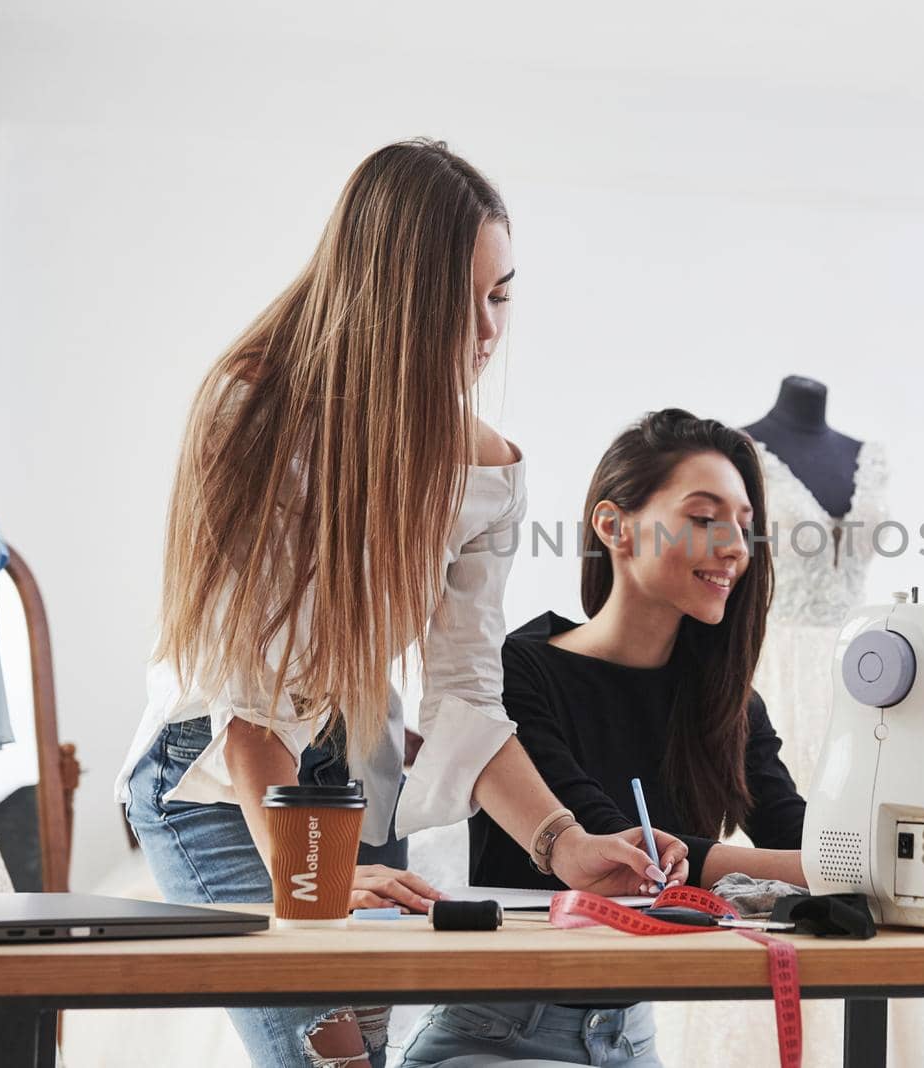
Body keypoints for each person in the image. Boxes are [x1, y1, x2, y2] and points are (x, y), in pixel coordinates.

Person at [117, 140, 687, 1068]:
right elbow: (245, 706)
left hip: (348, 772)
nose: (487, 330)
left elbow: (465, 698)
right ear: (385, 299)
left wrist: (566, 843)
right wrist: (317, 885)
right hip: (218, 779)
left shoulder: (487, 471)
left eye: (499, 294)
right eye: (455, 303)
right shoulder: (251, 415)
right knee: (329, 1059)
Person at [400, 409, 807, 1068]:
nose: (733, 546)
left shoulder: (727, 705)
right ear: (614, 526)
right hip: (498, 1033)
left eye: (744, 527)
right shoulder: (515, 673)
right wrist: (860, 867)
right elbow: (623, 854)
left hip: (629, 1037)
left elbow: (798, 834)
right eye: (704, 518)